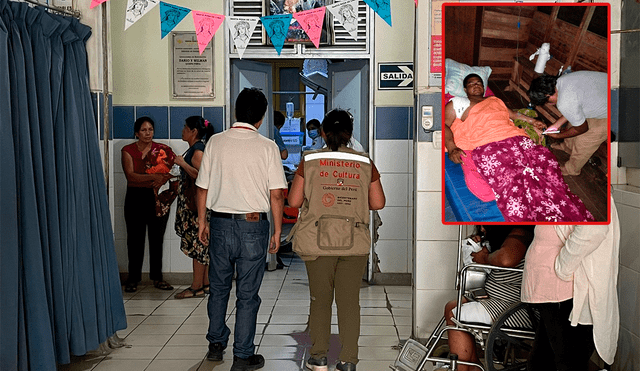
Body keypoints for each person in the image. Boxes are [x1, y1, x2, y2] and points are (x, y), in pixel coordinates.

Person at [288, 109, 386, 371]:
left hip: (317, 242)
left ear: (322, 132)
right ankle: (349, 360)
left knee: (320, 300)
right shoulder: (365, 162)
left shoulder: (309, 160)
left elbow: (294, 201)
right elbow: (378, 202)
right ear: (349, 134)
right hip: (353, 242)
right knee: (349, 303)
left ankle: (319, 357)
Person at [196, 88, 287, 371]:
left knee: (219, 288)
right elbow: (276, 195)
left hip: (220, 224)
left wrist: (202, 221)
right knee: (247, 294)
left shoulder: (215, 142)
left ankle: (215, 345)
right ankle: (243, 355)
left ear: (236, 112)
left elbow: (202, 187)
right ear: (260, 119)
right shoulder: (268, 147)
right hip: (252, 226)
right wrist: (276, 231)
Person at [444, 73, 594, 222]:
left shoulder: (494, 100)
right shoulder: (458, 103)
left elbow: (514, 115)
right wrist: (451, 147)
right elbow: (443, 125)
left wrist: (533, 121)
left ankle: (554, 202)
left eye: (479, 83)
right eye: (471, 84)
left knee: (545, 162)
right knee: (512, 177)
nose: (476, 85)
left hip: (515, 138)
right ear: (464, 89)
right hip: (488, 144)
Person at [522, 201, 620, 371]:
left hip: (566, 292)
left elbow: (594, 229)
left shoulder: (587, 190)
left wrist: (563, 268)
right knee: (542, 362)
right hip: (552, 291)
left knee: (566, 362)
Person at [443, 225, 534, 371]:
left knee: (455, 313)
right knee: (451, 306)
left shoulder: (521, 232)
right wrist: (478, 244)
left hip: (514, 308)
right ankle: (472, 367)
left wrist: (484, 257)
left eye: (485, 226)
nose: (482, 229)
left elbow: (505, 259)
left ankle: (464, 368)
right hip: (497, 299)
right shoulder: (507, 237)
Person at [121, 116, 175, 293]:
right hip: (135, 198)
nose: (147, 133)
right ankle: (133, 278)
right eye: (143, 130)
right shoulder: (127, 150)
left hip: (156, 198)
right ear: (137, 133)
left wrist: (161, 179)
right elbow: (131, 176)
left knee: (156, 238)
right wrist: (155, 177)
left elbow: (171, 173)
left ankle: (157, 278)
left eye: (150, 129)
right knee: (134, 239)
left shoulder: (163, 150)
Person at [528, 72, 608, 176]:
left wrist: (558, 135)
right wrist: (556, 125)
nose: (549, 104)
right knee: (572, 123)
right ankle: (567, 147)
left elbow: (581, 129)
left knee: (584, 141)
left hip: (618, 110)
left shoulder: (564, 102)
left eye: (546, 101)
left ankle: (571, 170)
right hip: (604, 96)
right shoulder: (562, 80)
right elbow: (573, 106)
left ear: (548, 95)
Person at [173, 116, 214, 299]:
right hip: (195, 205)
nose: (182, 130)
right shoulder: (196, 148)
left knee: (198, 247)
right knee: (202, 247)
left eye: (185, 127)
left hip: (197, 207)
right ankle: (205, 283)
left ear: (193, 131)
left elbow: (202, 177)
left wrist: (182, 164)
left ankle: (196, 286)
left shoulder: (197, 151)